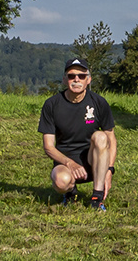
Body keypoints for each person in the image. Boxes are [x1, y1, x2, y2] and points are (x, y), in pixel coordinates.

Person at [38, 58, 118, 208]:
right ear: (64, 79)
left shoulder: (99, 102)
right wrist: (70, 163)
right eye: (71, 76)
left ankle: (96, 198)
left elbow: (111, 139)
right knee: (61, 181)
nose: (76, 79)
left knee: (101, 136)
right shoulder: (51, 104)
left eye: (81, 76)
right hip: (66, 163)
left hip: (94, 160)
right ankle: (70, 193)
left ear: (88, 79)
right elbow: (48, 146)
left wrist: (109, 170)